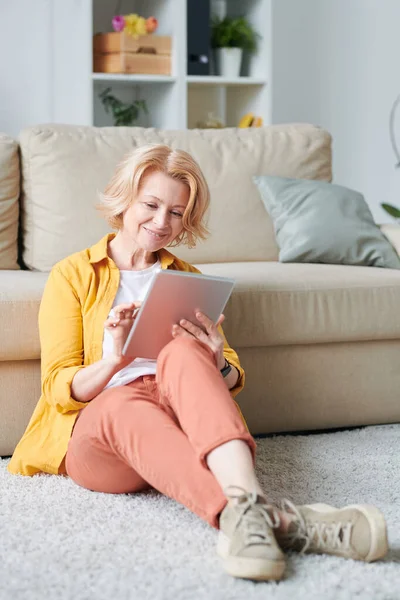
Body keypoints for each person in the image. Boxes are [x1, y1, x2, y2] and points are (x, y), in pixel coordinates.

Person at [8, 144, 388, 582]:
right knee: (119, 405)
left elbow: (229, 377)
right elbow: (58, 386)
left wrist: (214, 360)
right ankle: (283, 521)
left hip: (176, 419)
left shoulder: (188, 279)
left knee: (185, 350)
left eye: (176, 212)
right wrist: (114, 360)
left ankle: (245, 512)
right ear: (124, 199)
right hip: (102, 433)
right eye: (150, 205)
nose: (161, 222)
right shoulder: (72, 275)